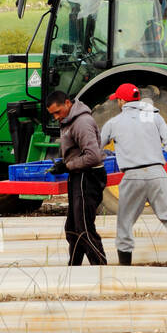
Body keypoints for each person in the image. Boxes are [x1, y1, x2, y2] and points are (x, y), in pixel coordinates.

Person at [99, 83, 167, 266]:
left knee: (125, 221)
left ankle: (125, 265)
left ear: (121, 101)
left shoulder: (113, 123)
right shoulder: (155, 117)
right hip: (157, 174)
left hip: (132, 176)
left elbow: (95, 150)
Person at [45, 90, 108, 265]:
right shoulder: (68, 120)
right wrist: (65, 164)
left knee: (84, 229)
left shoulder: (81, 122)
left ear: (67, 103)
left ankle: (102, 269)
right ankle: (74, 268)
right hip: (78, 176)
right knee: (73, 228)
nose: (56, 117)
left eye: (58, 112)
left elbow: (93, 156)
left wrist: (67, 166)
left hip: (88, 177)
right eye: (53, 115)